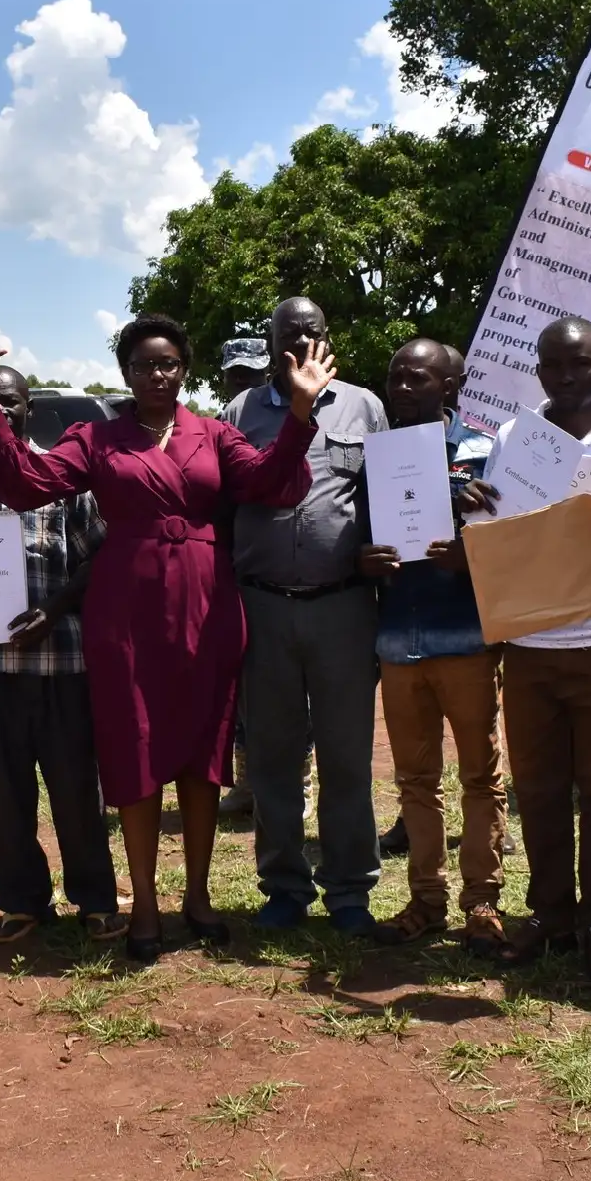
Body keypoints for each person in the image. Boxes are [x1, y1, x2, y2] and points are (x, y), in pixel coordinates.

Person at [0, 316, 329, 962]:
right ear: (125, 372)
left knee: (200, 749)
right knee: (134, 752)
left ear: (183, 369)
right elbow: (28, 482)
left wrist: (300, 410)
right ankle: (146, 906)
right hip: (125, 614)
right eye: (143, 365)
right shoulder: (95, 438)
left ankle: (196, 895)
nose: (156, 375)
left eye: (167, 364)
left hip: (205, 605)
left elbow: (272, 482)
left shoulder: (213, 434)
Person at [460, 317, 591, 982]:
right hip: (529, 645)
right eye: (552, 365)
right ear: (539, 369)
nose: (565, 376)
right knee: (540, 788)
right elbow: (493, 525)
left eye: (578, 364)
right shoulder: (515, 440)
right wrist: (469, 502)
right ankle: (551, 911)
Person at [0, 364, 124, 945]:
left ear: (27, 410)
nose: (3, 412)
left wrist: (58, 606)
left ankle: (94, 900)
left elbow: (99, 558)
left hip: (61, 663)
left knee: (73, 789)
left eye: (10, 403)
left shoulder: (64, 477)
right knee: (7, 794)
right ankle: (23, 903)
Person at [222, 297, 385, 936]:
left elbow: (386, 494)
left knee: (347, 755)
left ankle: (349, 891)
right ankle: (284, 886)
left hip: (342, 605)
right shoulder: (239, 413)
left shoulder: (364, 407)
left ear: (327, 337)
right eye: (288, 333)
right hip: (263, 606)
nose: (301, 342)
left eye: (312, 331)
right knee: (272, 756)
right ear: (269, 343)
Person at [364, 340, 506, 950]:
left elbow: (512, 545)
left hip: (466, 638)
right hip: (399, 641)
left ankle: (482, 903)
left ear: (451, 386)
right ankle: (426, 899)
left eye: (416, 378)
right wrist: (362, 558)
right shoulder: (375, 456)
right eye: (395, 376)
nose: (400, 388)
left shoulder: (485, 455)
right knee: (416, 781)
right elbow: (357, 532)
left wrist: (472, 556)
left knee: (481, 775)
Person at [216, 335, 271, 819]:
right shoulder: (221, 423)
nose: (242, 381)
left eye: (251, 374)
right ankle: (247, 782)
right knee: (243, 688)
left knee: (294, 696)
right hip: (235, 571)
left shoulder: (281, 416)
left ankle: (300, 782)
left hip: (276, 569)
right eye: (235, 373)